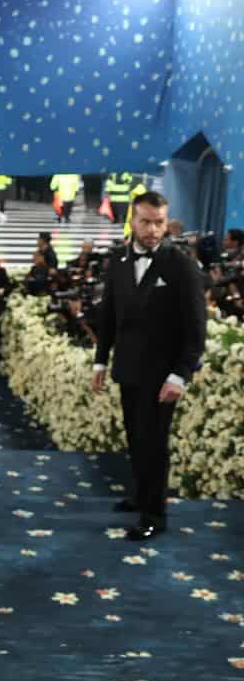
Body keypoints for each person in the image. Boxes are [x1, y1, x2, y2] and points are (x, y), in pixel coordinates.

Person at [92, 191, 206, 542]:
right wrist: (100, 360)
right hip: (128, 368)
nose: (153, 230)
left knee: (153, 443)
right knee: (135, 438)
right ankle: (142, 495)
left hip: (162, 376)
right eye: (145, 222)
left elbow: (196, 328)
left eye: (159, 223)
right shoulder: (119, 260)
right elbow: (109, 315)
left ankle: (155, 514)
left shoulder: (181, 265)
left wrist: (180, 375)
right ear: (132, 220)